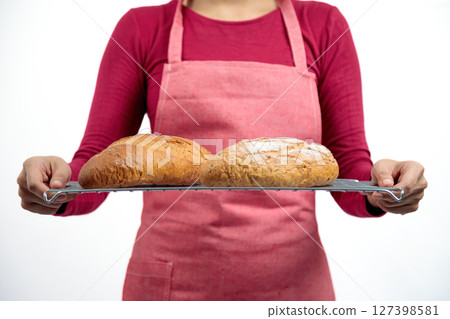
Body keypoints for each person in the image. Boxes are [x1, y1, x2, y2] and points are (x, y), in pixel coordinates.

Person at [17, 0, 427, 300]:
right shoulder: (143, 27)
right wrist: (57, 185)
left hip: (294, 288)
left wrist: (382, 188)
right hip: (170, 286)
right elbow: (99, 164)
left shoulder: (321, 23)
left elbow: (349, 169)